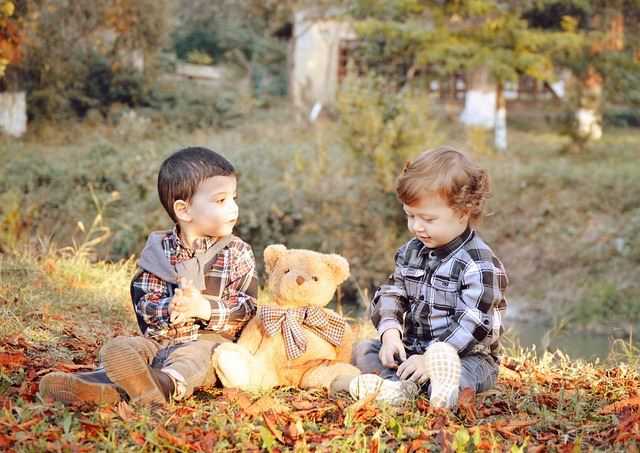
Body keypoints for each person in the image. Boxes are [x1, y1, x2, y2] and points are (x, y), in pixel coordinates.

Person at [39, 147, 258, 407]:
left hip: (208, 343)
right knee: (128, 347)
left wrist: (203, 308)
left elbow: (247, 308)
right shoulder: (160, 251)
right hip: (160, 341)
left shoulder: (237, 252)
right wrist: (171, 307)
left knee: (195, 357)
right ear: (184, 210)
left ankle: (161, 385)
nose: (233, 208)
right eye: (221, 200)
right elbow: (145, 303)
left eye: (234, 198)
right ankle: (97, 384)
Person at [349, 147, 508, 408]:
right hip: (413, 349)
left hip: (467, 357)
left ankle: (441, 392)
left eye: (427, 218)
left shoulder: (479, 265)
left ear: (463, 211)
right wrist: (390, 333)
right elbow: (392, 292)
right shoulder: (411, 251)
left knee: (463, 373)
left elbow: (473, 324)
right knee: (366, 349)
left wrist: (431, 360)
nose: (416, 226)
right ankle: (400, 387)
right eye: (410, 216)